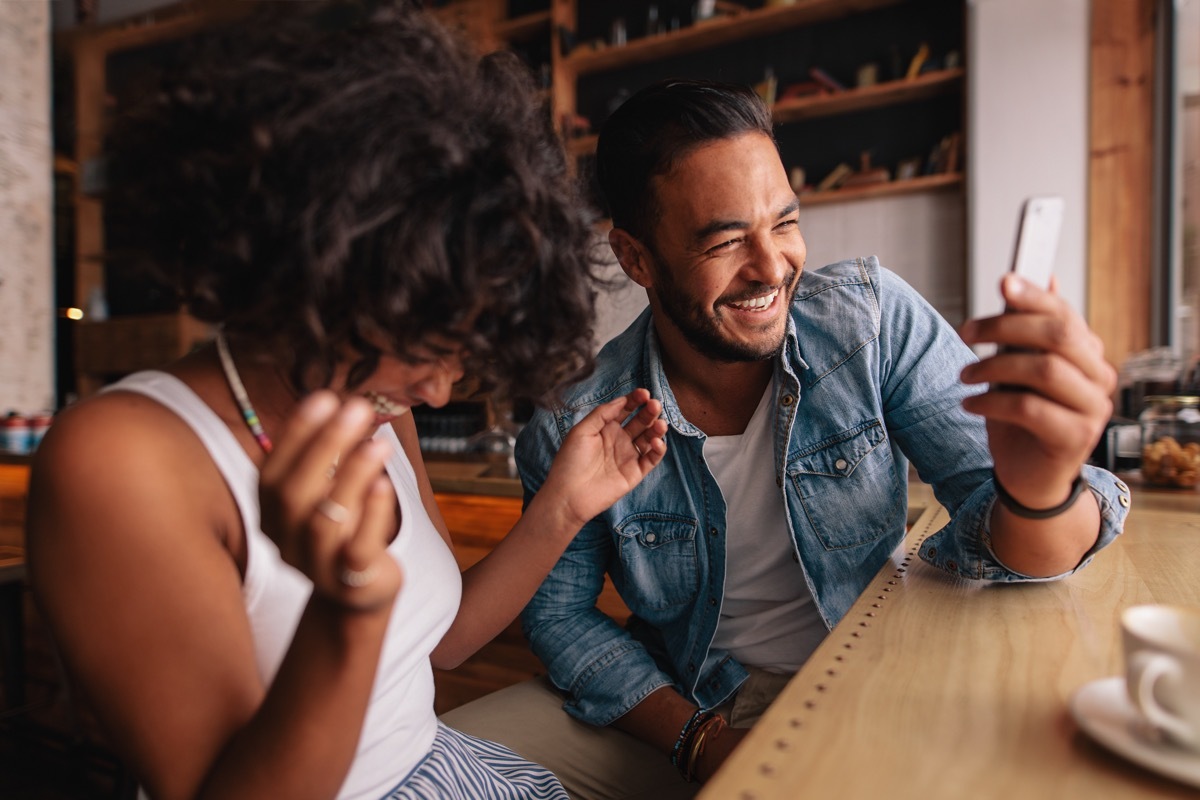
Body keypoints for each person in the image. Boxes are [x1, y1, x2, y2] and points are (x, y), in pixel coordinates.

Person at [25, 5, 669, 800]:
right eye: (425, 345)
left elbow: (445, 644)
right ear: (310, 265)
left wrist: (564, 506)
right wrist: (346, 614)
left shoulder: (376, 398)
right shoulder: (125, 462)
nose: (435, 392)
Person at [441, 79, 1132, 798]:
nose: (772, 267)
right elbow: (559, 616)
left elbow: (1027, 557)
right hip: (692, 697)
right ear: (636, 258)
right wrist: (696, 739)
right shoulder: (577, 417)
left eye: (784, 223)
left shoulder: (870, 322)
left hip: (875, 673)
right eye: (727, 240)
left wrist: (1042, 486)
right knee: (431, 768)